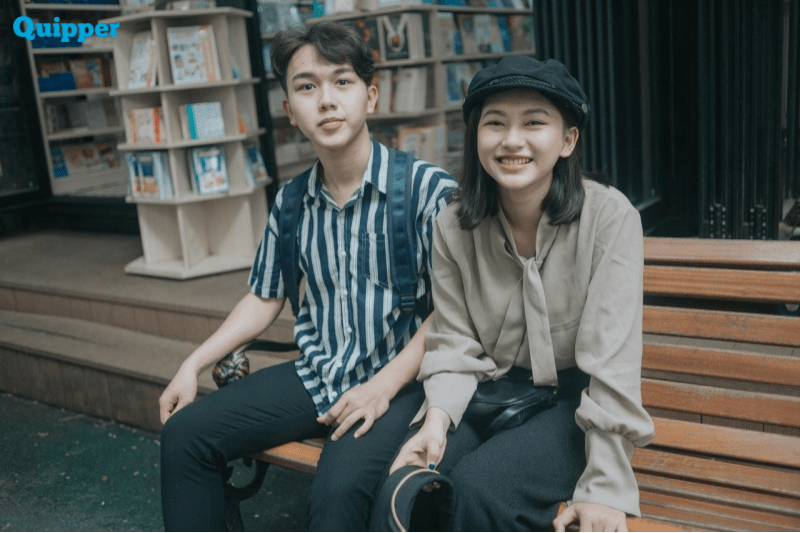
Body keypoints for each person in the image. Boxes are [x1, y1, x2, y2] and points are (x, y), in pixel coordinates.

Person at [158, 21, 456, 531]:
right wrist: (193, 363)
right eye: (306, 86)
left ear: (370, 96)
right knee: (185, 435)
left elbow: (456, 308)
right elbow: (264, 296)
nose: (327, 100)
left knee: (336, 496)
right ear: (290, 112)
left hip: (404, 381)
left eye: (342, 81)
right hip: (318, 375)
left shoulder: (427, 190)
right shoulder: (292, 201)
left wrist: (381, 387)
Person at [385, 55, 655, 532]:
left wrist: (604, 486)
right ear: (476, 136)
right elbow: (453, 340)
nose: (512, 140)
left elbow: (611, 366)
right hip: (493, 389)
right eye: (495, 123)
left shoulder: (610, 218)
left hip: (576, 401)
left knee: (480, 489)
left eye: (534, 123)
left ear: (568, 140)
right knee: (410, 483)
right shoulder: (453, 224)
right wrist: (436, 421)